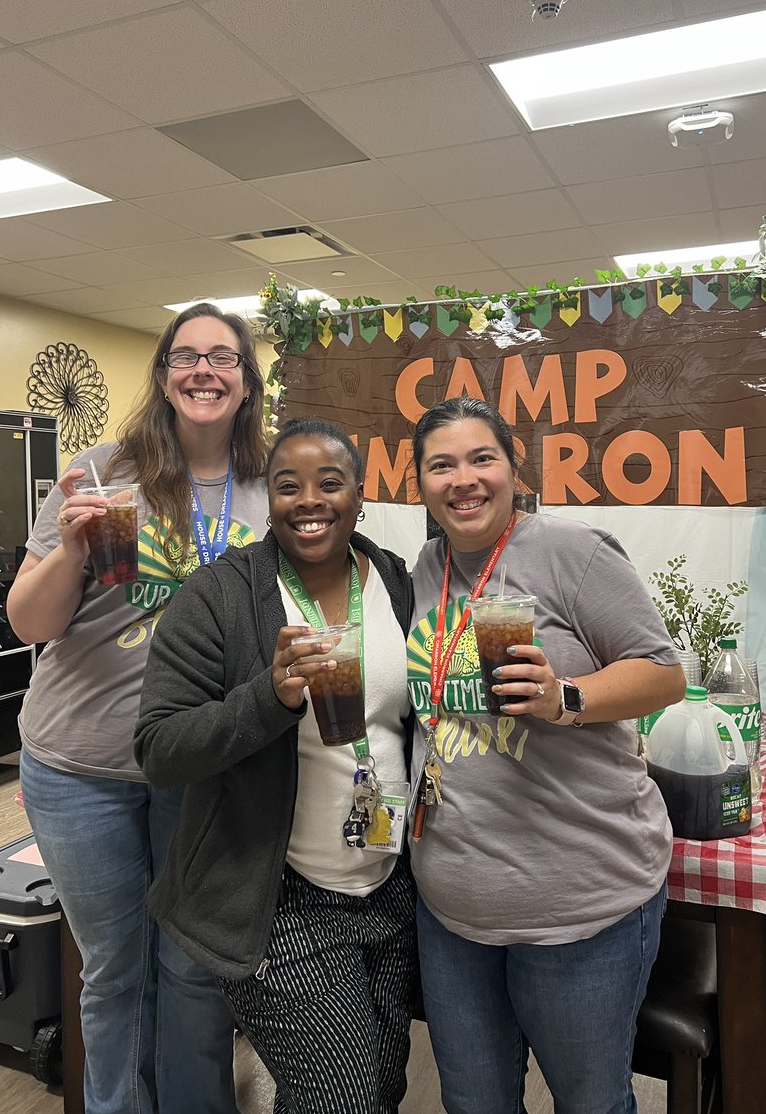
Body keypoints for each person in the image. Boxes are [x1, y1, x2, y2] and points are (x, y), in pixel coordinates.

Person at [9, 302, 270, 1114]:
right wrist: (75, 549)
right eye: (185, 356)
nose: (203, 370)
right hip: (80, 766)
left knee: (190, 962)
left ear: (246, 381)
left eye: (222, 357)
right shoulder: (97, 471)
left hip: (195, 766)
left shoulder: (268, 487)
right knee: (117, 964)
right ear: (162, 376)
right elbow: (30, 622)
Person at [406, 396, 686, 1114]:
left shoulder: (571, 551)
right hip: (455, 907)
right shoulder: (425, 568)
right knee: (474, 1102)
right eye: (442, 465)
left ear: (512, 467)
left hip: (580, 905)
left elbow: (663, 672)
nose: (463, 479)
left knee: (590, 1104)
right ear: (421, 482)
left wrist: (568, 696)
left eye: (481, 458)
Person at [135, 418, 417, 1114]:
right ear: (271, 501)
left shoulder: (396, 582)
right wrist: (271, 695)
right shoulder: (218, 596)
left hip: (385, 884)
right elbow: (159, 749)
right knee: (342, 1100)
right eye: (288, 486)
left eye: (330, 483)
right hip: (277, 899)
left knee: (379, 1089)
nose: (309, 501)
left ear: (360, 494)